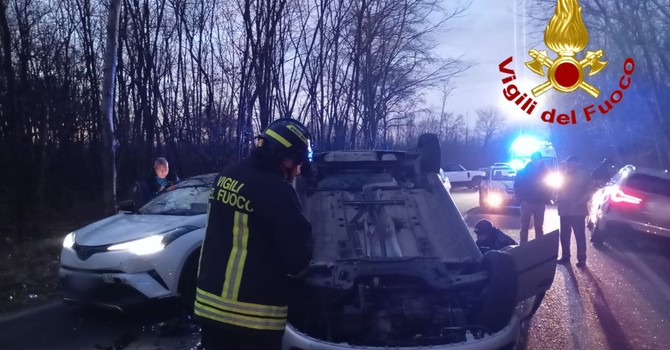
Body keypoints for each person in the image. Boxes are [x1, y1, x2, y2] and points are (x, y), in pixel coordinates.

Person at [194, 118, 313, 350]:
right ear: (283, 157)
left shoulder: (227, 175)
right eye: (297, 161)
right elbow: (297, 257)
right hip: (253, 315)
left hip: (209, 305)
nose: (298, 170)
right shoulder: (276, 190)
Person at [557, 155, 592, 268]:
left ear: (576, 163)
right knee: (564, 235)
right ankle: (565, 256)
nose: (568, 165)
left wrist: (581, 201)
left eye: (570, 163)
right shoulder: (563, 174)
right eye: (567, 163)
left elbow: (590, 191)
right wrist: (558, 197)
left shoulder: (584, 175)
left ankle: (581, 259)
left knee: (579, 236)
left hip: (577, 211)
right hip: (564, 210)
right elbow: (558, 188)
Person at [514, 151, 551, 244]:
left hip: (540, 203)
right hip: (526, 203)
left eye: (537, 159)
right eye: (534, 158)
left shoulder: (546, 173)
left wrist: (546, 199)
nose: (536, 161)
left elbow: (550, 187)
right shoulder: (523, 172)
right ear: (531, 159)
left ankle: (538, 249)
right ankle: (522, 249)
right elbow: (517, 186)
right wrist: (521, 200)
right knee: (524, 228)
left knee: (539, 228)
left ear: (541, 160)